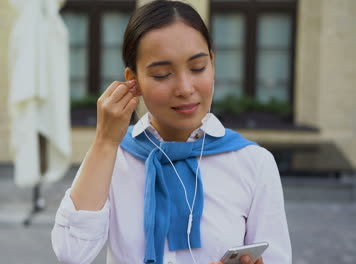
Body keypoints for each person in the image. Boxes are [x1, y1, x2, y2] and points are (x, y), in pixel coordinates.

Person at [52, 1, 291, 263]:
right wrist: (105, 142)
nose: (185, 88)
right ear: (134, 81)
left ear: (212, 62)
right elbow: (71, 254)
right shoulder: (114, 157)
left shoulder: (253, 163)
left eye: (198, 68)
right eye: (162, 74)